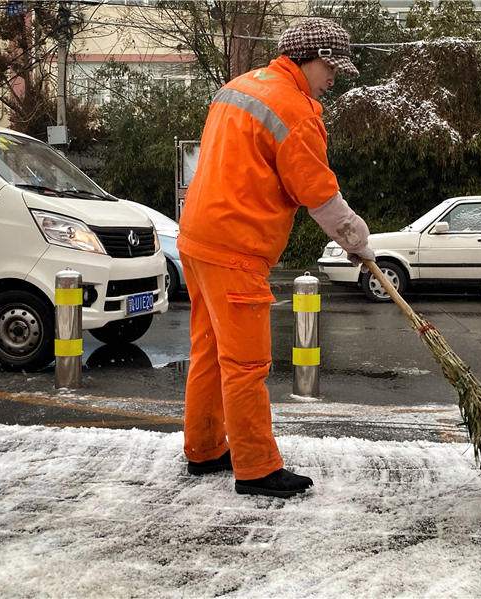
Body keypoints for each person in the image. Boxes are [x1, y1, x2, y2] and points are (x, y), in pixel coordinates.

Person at [177, 18, 374, 498]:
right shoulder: (294, 109)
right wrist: (357, 241)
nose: (334, 78)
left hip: (197, 238)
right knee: (246, 365)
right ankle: (257, 467)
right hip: (237, 247)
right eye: (330, 68)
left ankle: (204, 450)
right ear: (307, 59)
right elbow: (319, 193)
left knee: (210, 351)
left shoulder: (237, 89)